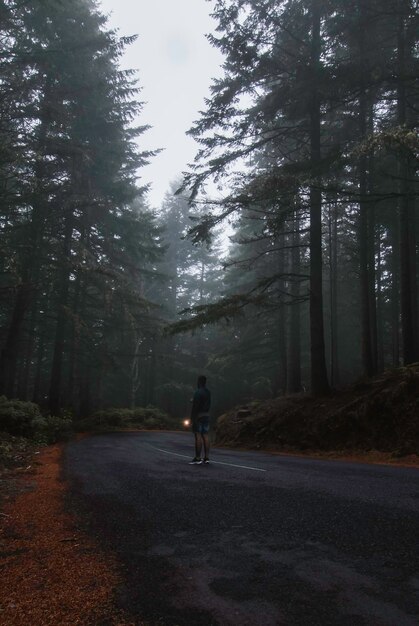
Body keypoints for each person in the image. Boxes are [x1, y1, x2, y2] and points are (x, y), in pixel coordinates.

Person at [189, 375, 211, 465]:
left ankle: (198, 457)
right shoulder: (208, 392)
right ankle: (206, 457)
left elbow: (196, 406)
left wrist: (192, 418)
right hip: (206, 415)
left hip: (198, 415)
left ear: (199, 382)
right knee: (205, 435)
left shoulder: (198, 392)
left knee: (198, 435)